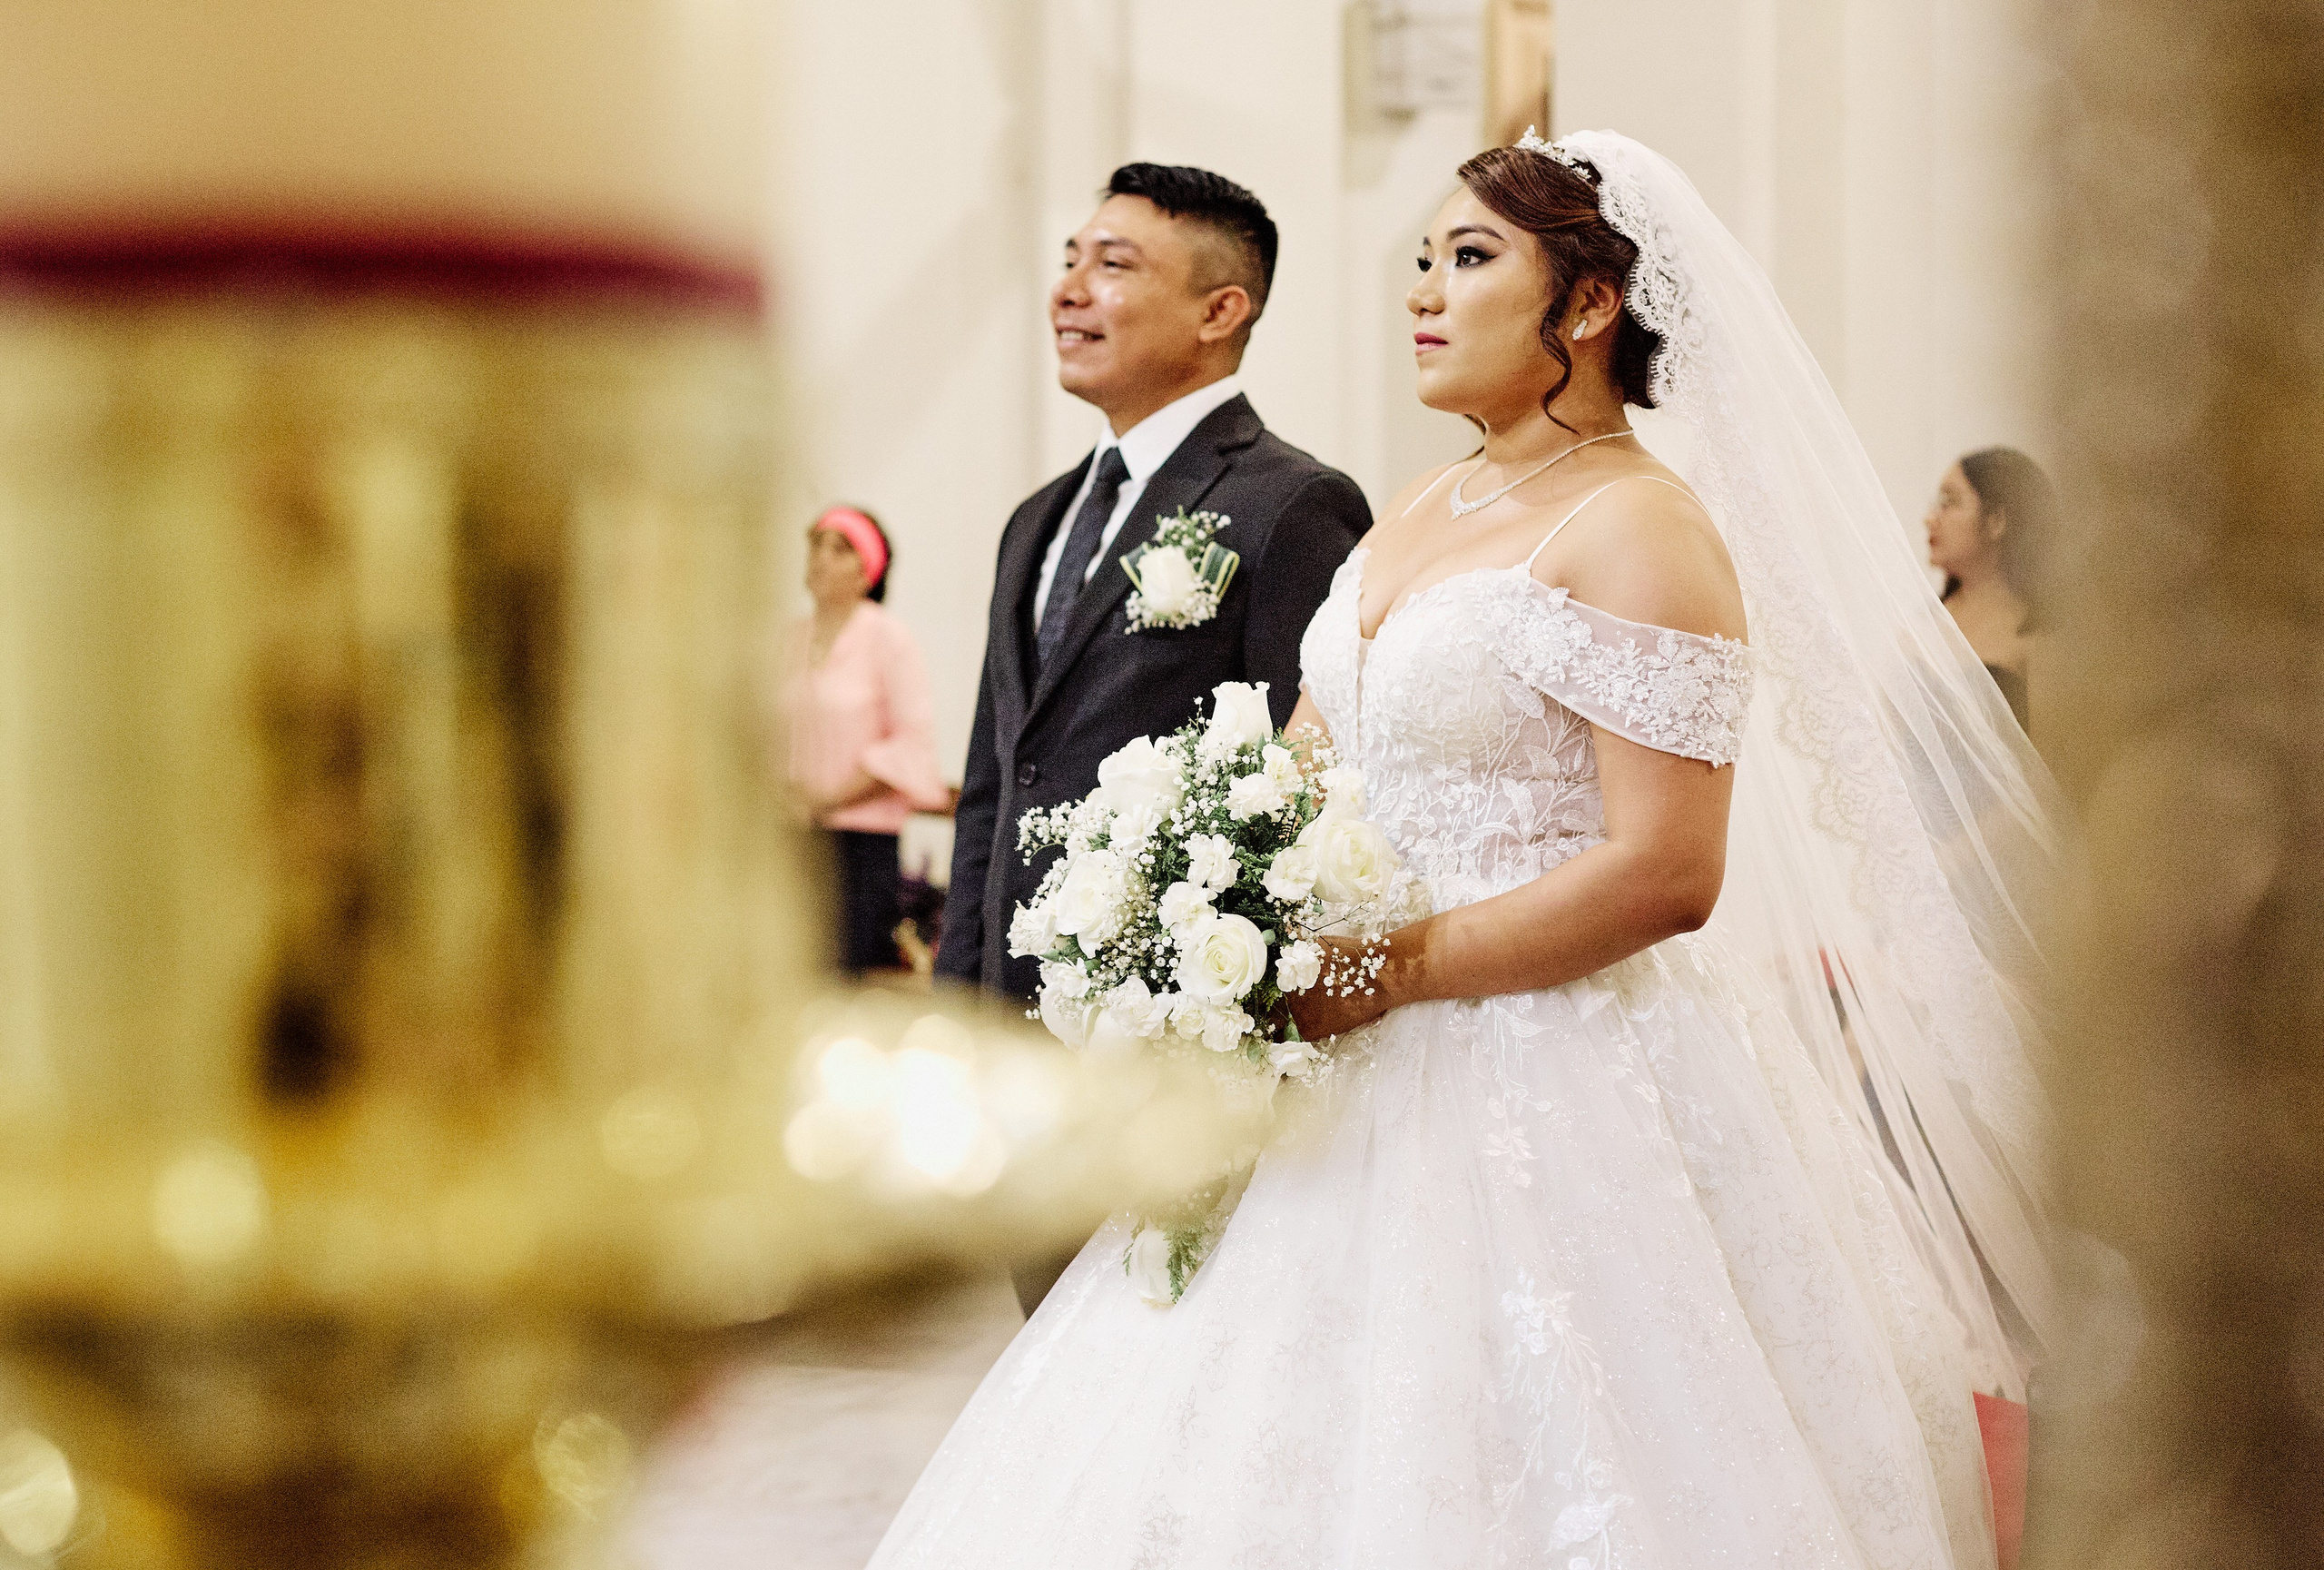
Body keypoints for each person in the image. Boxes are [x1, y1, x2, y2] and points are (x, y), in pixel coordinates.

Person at [873, 133, 2055, 1570]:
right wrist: (1188, 902)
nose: (1425, 292)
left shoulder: (1644, 527)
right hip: (1331, 1051)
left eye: (1473, 258)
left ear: (1589, 304)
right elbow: (1303, 762)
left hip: (1547, 1070)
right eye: (1423, 260)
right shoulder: (1423, 505)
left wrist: (1387, 966)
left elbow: (1669, 871)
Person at [783, 505, 952, 973]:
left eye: (839, 548)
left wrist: (829, 797)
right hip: (793, 836)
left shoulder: (888, 639)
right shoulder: (790, 639)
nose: (820, 557)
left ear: (868, 569)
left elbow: (912, 745)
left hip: (861, 842)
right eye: (815, 544)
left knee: (850, 978)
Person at [1926, 446, 2057, 733]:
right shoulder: (1927, 617)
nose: (1930, 518)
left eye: (1950, 502)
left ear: (1998, 521)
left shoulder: (2040, 636)